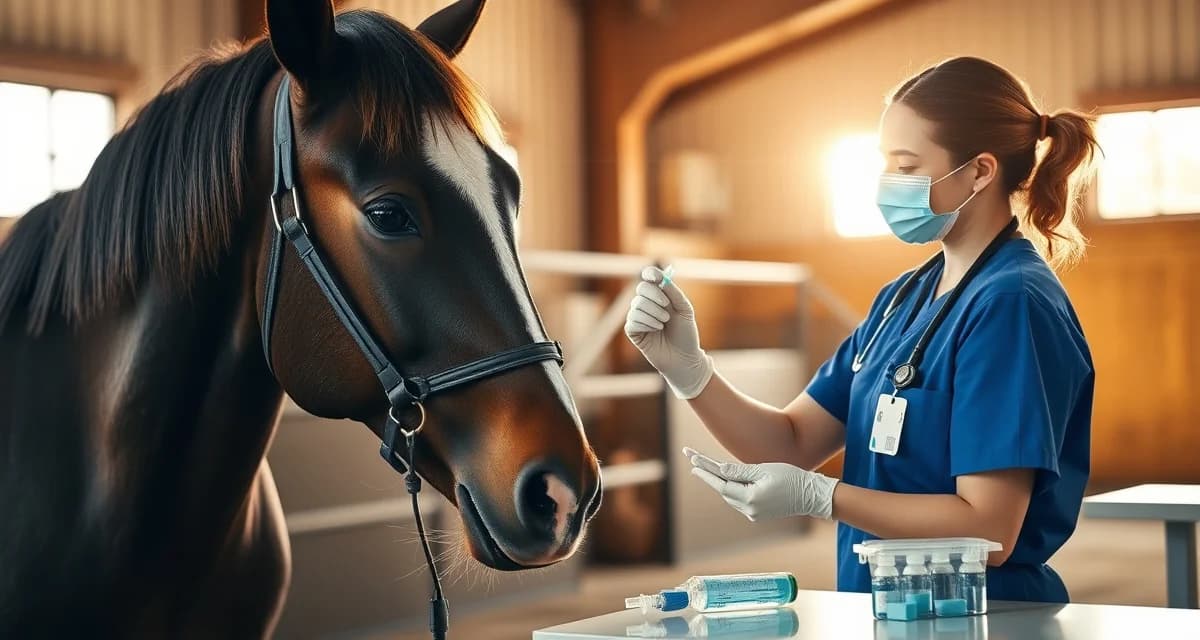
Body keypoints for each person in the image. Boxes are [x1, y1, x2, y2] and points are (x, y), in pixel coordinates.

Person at [624, 56, 1099, 603]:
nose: (886, 183)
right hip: (886, 612)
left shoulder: (1011, 305)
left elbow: (989, 531)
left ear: (979, 171)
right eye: (885, 163)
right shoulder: (902, 298)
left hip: (983, 615)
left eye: (905, 163)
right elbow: (790, 442)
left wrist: (823, 497)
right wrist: (688, 369)